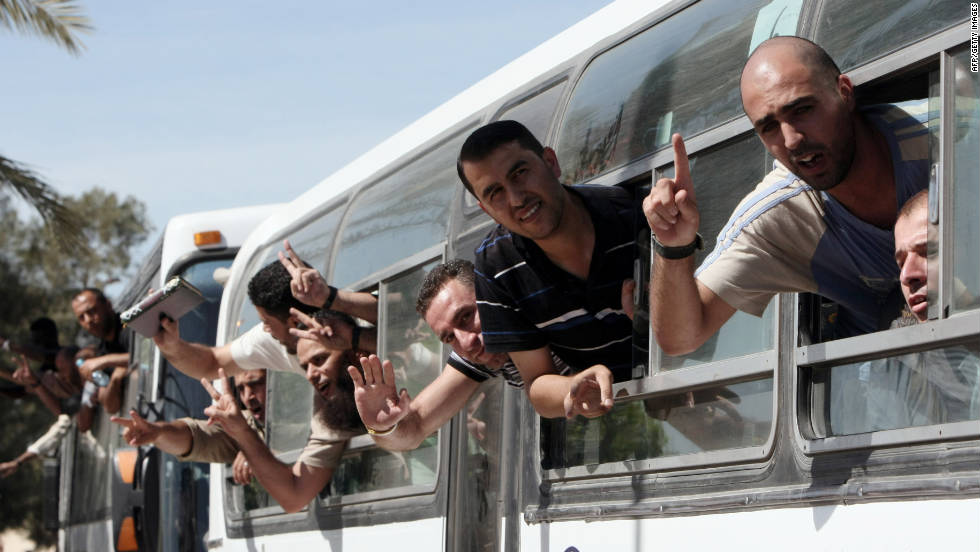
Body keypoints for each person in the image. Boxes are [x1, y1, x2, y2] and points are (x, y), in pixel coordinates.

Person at [644, 36, 931, 355]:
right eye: (769, 128)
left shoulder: (948, 136)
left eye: (803, 110)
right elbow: (680, 338)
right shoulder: (777, 214)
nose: (792, 140)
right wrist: (673, 246)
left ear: (844, 92)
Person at [456, 120, 638, 419]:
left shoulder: (630, 216)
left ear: (551, 162)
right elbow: (537, 383)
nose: (516, 198)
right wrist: (573, 388)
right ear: (486, 209)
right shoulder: (495, 266)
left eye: (520, 173)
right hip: (620, 424)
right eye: (495, 193)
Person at [200, 311, 365, 513]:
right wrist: (243, 432)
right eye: (305, 367)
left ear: (355, 353)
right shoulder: (332, 418)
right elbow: (294, 496)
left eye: (320, 359)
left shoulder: (400, 369)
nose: (311, 374)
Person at [111, 370, 267, 485]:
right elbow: (197, 437)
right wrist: (158, 432)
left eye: (255, 383)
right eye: (241, 389)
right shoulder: (244, 424)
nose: (248, 396)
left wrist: (256, 450)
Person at [71, 288, 132, 413]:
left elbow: (149, 355)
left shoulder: (131, 324)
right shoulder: (103, 350)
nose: (88, 320)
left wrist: (105, 361)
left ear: (108, 305)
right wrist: (115, 380)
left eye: (92, 311)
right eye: (82, 317)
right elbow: (111, 407)